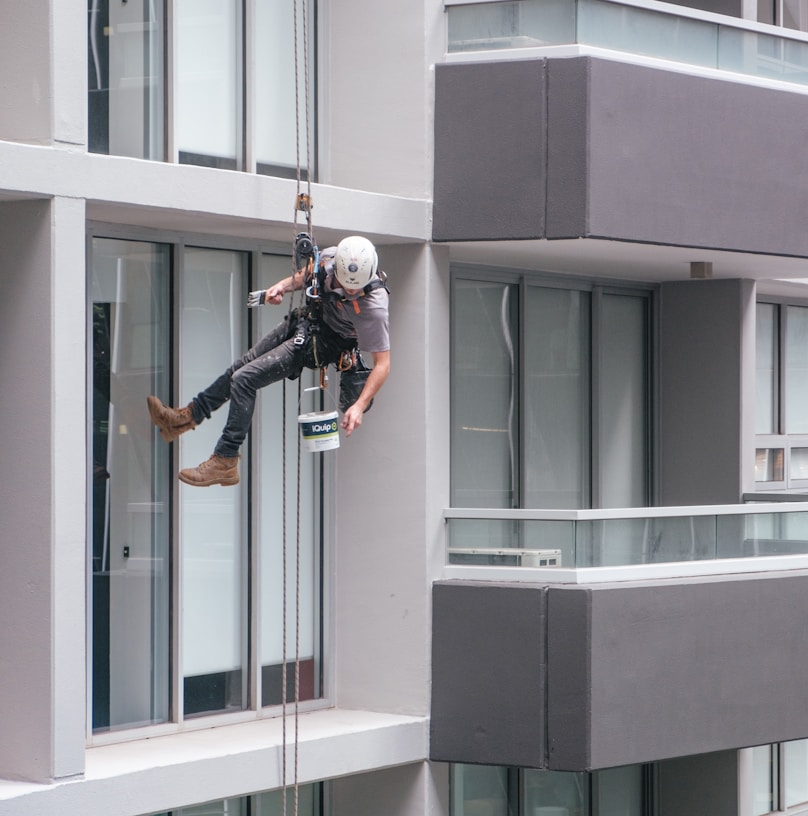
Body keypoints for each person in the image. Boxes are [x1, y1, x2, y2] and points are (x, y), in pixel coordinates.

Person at [146, 235, 390, 487]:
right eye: (345, 285)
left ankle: (226, 459)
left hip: (326, 344)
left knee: (245, 379)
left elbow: (383, 363)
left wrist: (359, 405)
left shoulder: (374, 306)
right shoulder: (329, 259)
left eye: (355, 289)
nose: (350, 291)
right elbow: (307, 275)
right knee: (239, 369)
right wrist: (281, 287)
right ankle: (185, 418)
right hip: (307, 322)